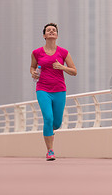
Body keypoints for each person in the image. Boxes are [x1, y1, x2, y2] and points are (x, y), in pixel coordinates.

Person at [30, 23, 77, 161]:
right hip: (43, 89)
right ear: (44, 35)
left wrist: (62, 67)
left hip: (59, 90)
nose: (51, 32)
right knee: (48, 119)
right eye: (48, 30)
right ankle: (50, 151)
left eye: (54, 30)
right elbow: (32, 67)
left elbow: (74, 71)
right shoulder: (36, 52)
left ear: (56, 35)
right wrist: (34, 73)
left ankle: (51, 130)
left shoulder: (63, 52)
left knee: (56, 123)